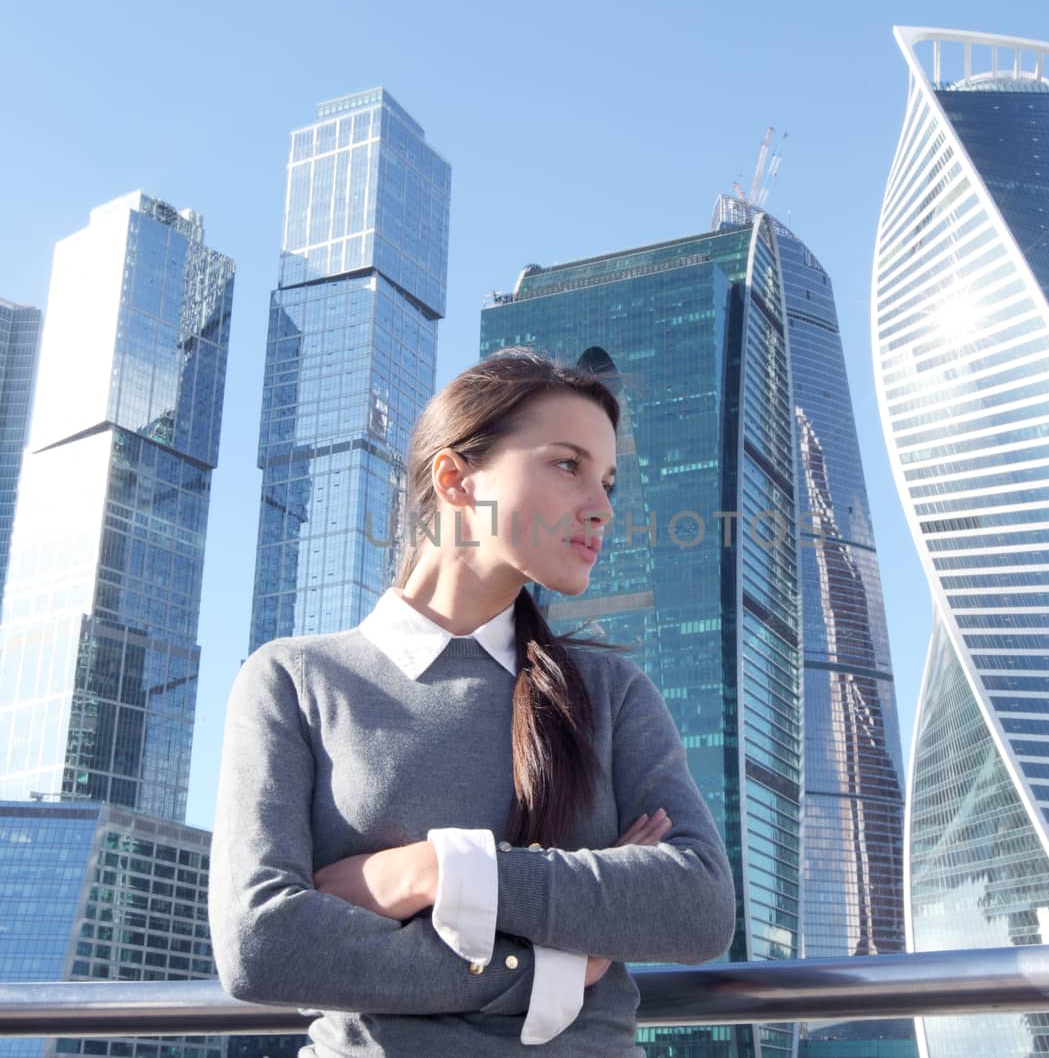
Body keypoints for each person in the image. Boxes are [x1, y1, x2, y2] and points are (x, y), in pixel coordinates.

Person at [209, 348, 737, 1056]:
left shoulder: (609, 693)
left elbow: (697, 905)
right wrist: (552, 970)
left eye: (607, 480)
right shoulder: (295, 681)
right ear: (457, 480)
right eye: (567, 464)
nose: (604, 507)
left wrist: (435, 870)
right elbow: (261, 943)